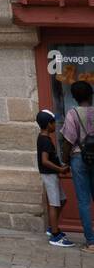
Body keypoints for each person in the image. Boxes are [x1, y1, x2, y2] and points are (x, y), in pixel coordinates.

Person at [62, 79, 94, 251]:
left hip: (78, 157)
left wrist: (65, 159)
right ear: (91, 95)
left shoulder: (72, 114)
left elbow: (68, 140)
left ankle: (91, 242)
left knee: (83, 201)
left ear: (74, 97)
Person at [35, 109, 73, 247]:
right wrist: (60, 169)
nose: (55, 125)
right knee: (54, 203)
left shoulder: (45, 138)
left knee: (62, 200)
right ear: (48, 124)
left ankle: (53, 227)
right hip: (49, 175)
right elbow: (45, 161)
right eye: (53, 123)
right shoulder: (44, 140)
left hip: (53, 174)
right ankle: (55, 236)